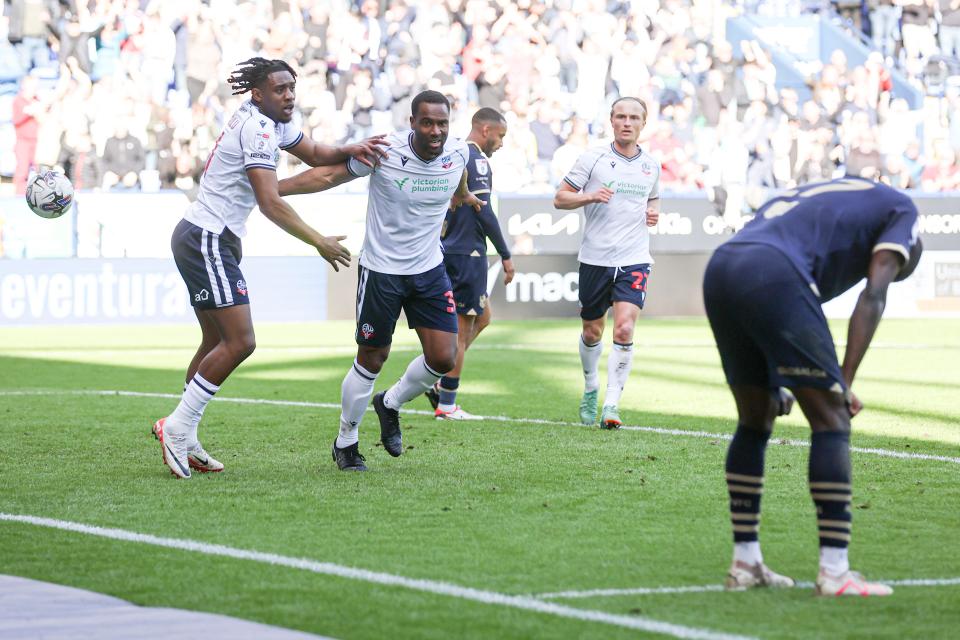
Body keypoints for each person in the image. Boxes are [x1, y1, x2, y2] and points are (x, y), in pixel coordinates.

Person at [152, 57, 387, 479]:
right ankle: (177, 426)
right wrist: (319, 240)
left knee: (215, 340)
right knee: (241, 342)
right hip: (207, 237)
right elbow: (270, 202)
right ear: (257, 94)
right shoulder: (258, 128)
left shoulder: (271, 123)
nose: (289, 95)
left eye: (291, 88)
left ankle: (183, 434)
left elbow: (315, 153)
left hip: (207, 236)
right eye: (279, 89)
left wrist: (348, 149)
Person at [702, 177, 923, 596]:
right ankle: (835, 572)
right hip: (773, 270)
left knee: (756, 416)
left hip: (723, 267)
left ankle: (745, 563)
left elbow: (777, 307)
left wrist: (779, 374)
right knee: (831, 418)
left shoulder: (839, 198)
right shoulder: (902, 212)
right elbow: (873, 296)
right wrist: (844, 381)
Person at [277, 90, 485, 471]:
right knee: (372, 358)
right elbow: (327, 176)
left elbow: (460, 175)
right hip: (382, 271)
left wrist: (463, 194)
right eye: (427, 123)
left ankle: (389, 403)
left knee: (444, 356)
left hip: (429, 270)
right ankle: (346, 442)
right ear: (412, 123)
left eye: (442, 123)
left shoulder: (457, 153)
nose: (435, 131)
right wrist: (270, 189)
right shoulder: (384, 152)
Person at [553, 97, 661, 429]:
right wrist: (589, 195)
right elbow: (560, 198)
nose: (627, 122)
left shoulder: (651, 166)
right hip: (595, 259)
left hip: (635, 258)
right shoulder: (593, 158)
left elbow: (652, 198)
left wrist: (653, 213)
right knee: (592, 331)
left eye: (633, 118)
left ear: (643, 124)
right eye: (620, 116)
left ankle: (611, 404)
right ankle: (590, 388)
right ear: (611, 121)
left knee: (625, 327)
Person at [423, 108, 514, 420]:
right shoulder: (476, 159)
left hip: (452, 249)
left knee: (484, 317)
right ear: (486, 129)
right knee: (461, 333)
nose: (501, 143)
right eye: (500, 136)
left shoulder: (454, 154)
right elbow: (483, 211)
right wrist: (505, 252)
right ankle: (446, 403)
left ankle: (436, 379)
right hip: (467, 252)